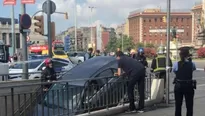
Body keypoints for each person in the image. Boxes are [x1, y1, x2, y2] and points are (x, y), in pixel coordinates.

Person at [172, 47, 196, 116]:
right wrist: (189, 61)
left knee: (178, 105)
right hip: (188, 85)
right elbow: (193, 70)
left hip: (178, 85)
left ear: (180, 55)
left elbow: (175, 71)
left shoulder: (176, 64)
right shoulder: (192, 64)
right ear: (188, 55)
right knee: (189, 105)